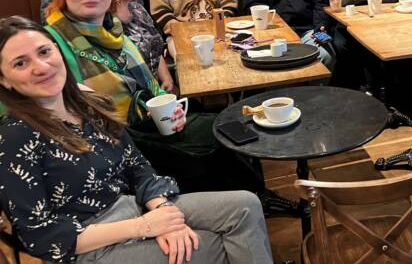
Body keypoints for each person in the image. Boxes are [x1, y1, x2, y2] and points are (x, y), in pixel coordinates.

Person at [0, 16, 273, 264]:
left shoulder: (88, 102)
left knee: (245, 206)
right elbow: (40, 235)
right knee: (214, 245)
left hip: (133, 207)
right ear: (4, 80)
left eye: (44, 52)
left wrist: (163, 211)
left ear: (57, 51)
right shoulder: (14, 137)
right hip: (90, 245)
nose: (41, 67)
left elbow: (137, 165)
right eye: (20, 63)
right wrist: (145, 226)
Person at [43, 0, 266, 198]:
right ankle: (250, 196)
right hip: (115, 143)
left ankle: (256, 194)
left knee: (228, 125)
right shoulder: (50, 44)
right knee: (219, 136)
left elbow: (148, 81)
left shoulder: (113, 31)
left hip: (148, 123)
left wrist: (169, 105)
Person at [103, 0, 174, 93]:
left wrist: (167, 78)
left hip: (159, 92)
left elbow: (153, 46)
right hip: (134, 98)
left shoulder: (137, 9)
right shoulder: (104, 22)